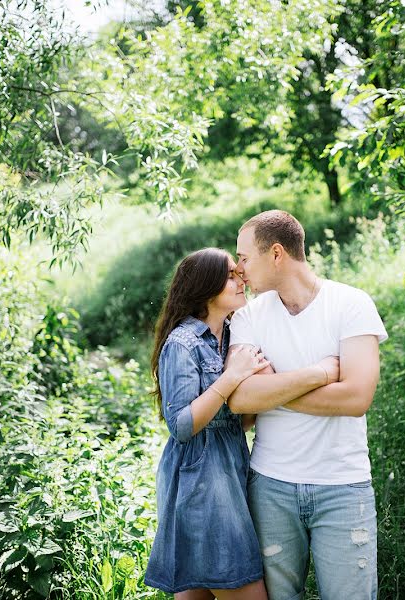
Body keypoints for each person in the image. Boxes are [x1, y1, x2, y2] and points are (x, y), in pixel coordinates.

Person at [144, 247, 339, 599]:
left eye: (239, 272)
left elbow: (240, 420)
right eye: (230, 276)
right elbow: (182, 426)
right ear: (205, 288)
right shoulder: (182, 344)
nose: (241, 279)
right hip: (198, 481)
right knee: (241, 585)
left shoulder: (231, 337)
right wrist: (232, 377)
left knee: (197, 592)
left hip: (229, 469)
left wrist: (262, 381)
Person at [226, 210, 388, 600]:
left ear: (277, 254)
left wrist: (275, 388)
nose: (239, 270)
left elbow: (356, 398)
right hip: (270, 486)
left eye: (244, 257)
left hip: (342, 487)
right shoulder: (248, 315)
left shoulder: (351, 304)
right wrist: (318, 373)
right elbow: (240, 397)